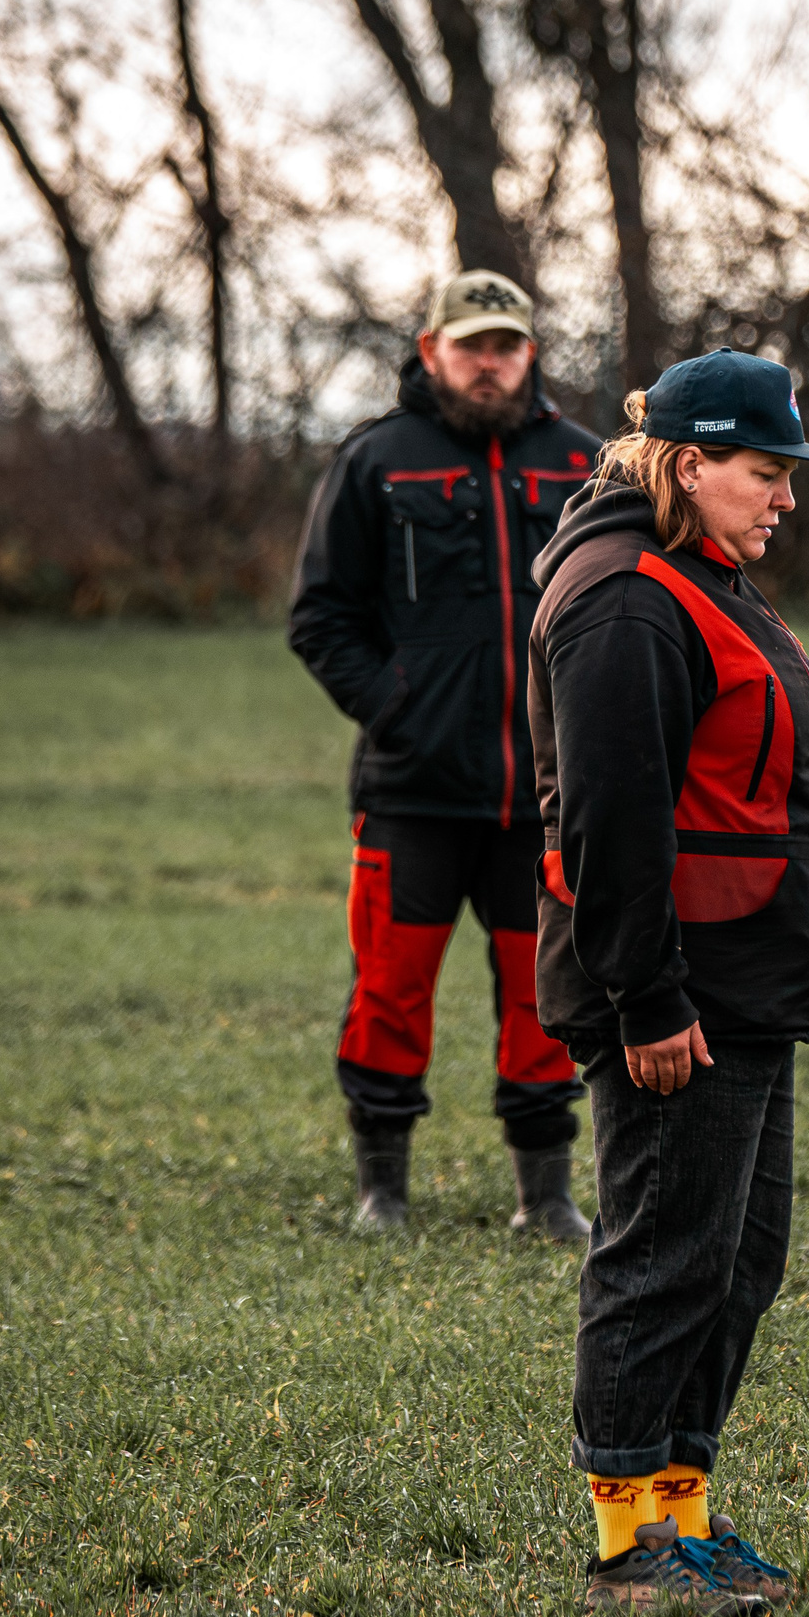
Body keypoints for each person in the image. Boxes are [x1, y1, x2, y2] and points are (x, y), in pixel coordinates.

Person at [526, 349, 809, 1616]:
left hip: (743, 981)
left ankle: (687, 1520)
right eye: (765, 472)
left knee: (737, 1258)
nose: (783, 498)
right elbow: (609, 821)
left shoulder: (702, 578)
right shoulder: (624, 599)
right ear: (687, 462)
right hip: (677, 994)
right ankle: (626, 1551)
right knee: (663, 1257)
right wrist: (649, 999)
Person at [288, 270, 600, 1241]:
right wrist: (396, 707)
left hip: (546, 799)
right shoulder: (377, 461)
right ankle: (382, 1188)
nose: (488, 362)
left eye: (505, 344)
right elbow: (321, 616)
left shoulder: (588, 463)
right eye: (470, 345)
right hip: (412, 792)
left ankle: (543, 1197)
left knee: (546, 998)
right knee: (389, 989)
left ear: (529, 354)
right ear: (431, 352)